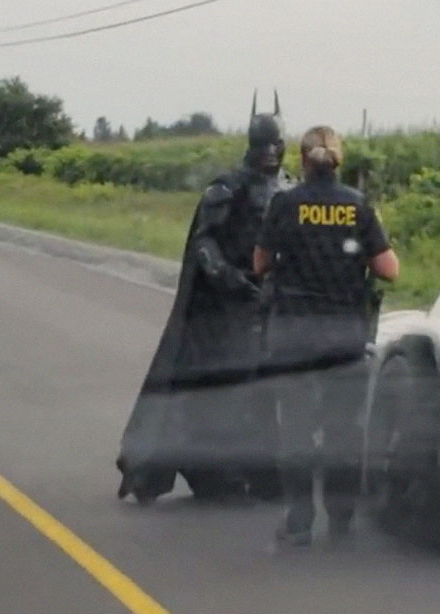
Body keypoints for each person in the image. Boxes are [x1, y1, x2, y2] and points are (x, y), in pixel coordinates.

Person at [116, 91, 293, 503]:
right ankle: (213, 470)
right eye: (262, 146)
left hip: (267, 304)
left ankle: (262, 472)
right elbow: (205, 243)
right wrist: (227, 277)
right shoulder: (226, 188)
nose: (269, 154)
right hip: (223, 307)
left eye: (275, 146)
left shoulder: (288, 189)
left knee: (263, 392)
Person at [254, 125, 399, 544]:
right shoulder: (357, 206)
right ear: (339, 160)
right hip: (344, 336)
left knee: (296, 429)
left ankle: (299, 522)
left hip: (294, 333)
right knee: (342, 430)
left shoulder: (285, 203)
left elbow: (260, 263)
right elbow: (389, 269)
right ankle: (341, 518)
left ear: (301, 161)